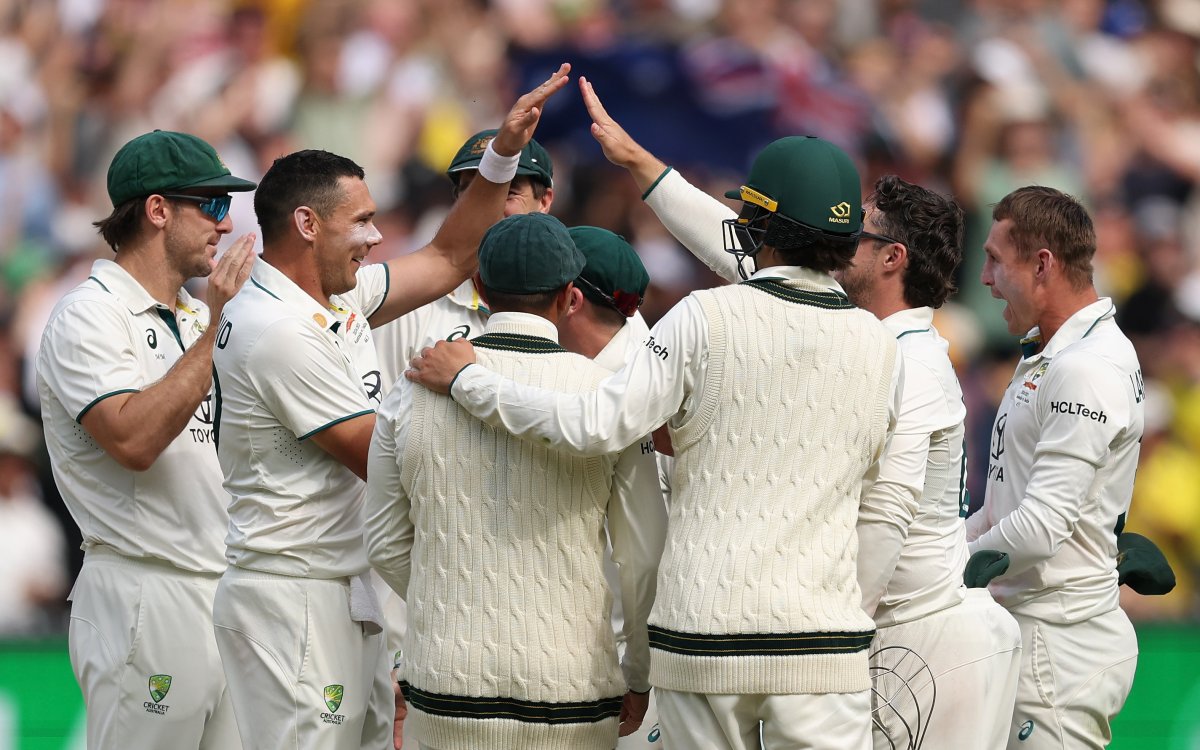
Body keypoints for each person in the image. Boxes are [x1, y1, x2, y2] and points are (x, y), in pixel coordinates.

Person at [407, 135, 902, 750]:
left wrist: (470, 382)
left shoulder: (704, 315)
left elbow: (595, 426)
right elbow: (883, 507)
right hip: (825, 648)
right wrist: (844, 614)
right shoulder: (881, 344)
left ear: (757, 224)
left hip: (702, 638)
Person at [577, 76, 1024, 747]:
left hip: (908, 635)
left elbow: (884, 522)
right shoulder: (849, 328)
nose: (834, 240)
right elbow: (754, 254)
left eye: (855, 234)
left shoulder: (904, 362)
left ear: (892, 258)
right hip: (866, 632)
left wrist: (832, 634)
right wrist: (642, 165)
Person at [210, 64, 571, 750]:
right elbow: (385, 456)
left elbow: (449, 252)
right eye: (364, 222)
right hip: (292, 598)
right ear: (308, 224)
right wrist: (484, 397)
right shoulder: (278, 331)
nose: (377, 238)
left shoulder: (330, 297)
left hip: (339, 588)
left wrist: (502, 153)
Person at [365, 212, 664, 749]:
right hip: (573, 695)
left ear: (478, 287)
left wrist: (451, 600)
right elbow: (641, 559)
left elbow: (384, 542)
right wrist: (638, 674)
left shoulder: (409, 392)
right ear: (570, 296)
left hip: (446, 690)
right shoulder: (610, 401)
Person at [35, 129, 257, 749]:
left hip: (225, 591)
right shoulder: (88, 314)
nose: (227, 221)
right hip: (142, 590)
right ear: (158, 210)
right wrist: (219, 328)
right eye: (211, 204)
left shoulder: (195, 314)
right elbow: (132, 439)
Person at [966, 186, 1143, 749]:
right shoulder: (1058, 353)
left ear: (1042, 264)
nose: (985, 279)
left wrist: (939, 570)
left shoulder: (1086, 367)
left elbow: (1039, 528)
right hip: (1034, 635)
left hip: (1059, 648)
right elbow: (1005, 508)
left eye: (995, 259)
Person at [373, 130, 555, 389]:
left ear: (544, 200)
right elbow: (378, 423)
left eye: (507, 192)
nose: (487, 209)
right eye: (473, 194)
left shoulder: (577, 301)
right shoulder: (410, 305)